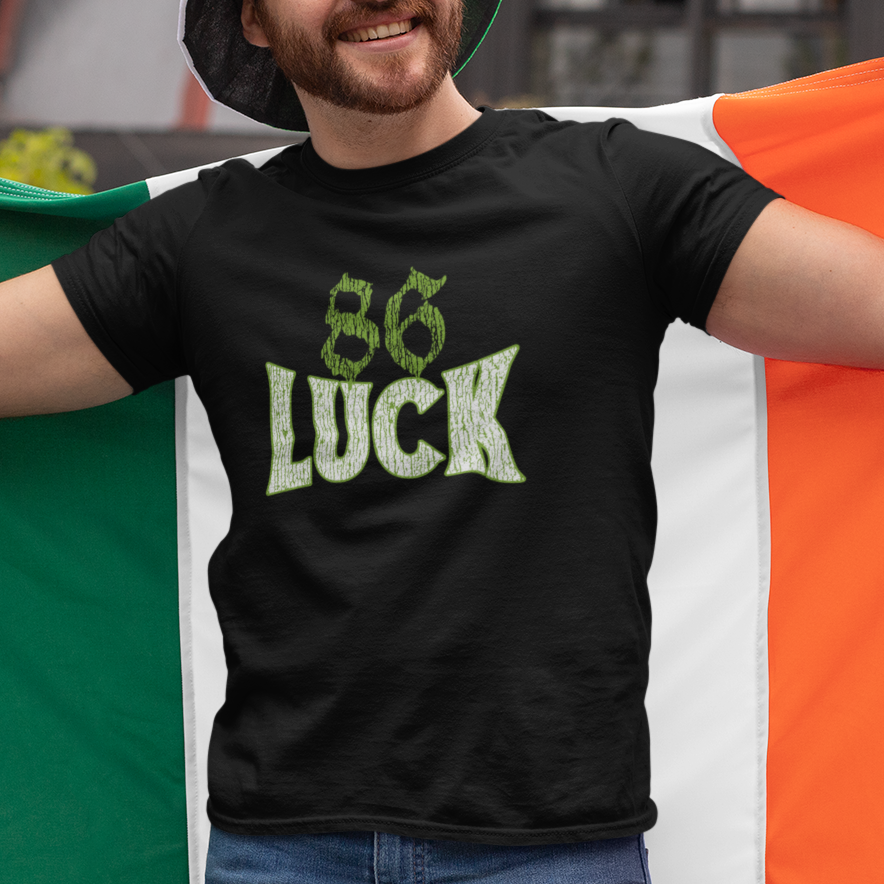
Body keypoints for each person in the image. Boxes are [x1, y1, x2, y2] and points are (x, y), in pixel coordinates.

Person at [3, 0, 884, 881]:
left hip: (553, 850)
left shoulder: (622, 187)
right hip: (282, 848)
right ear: (255, 22)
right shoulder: (197, 241)